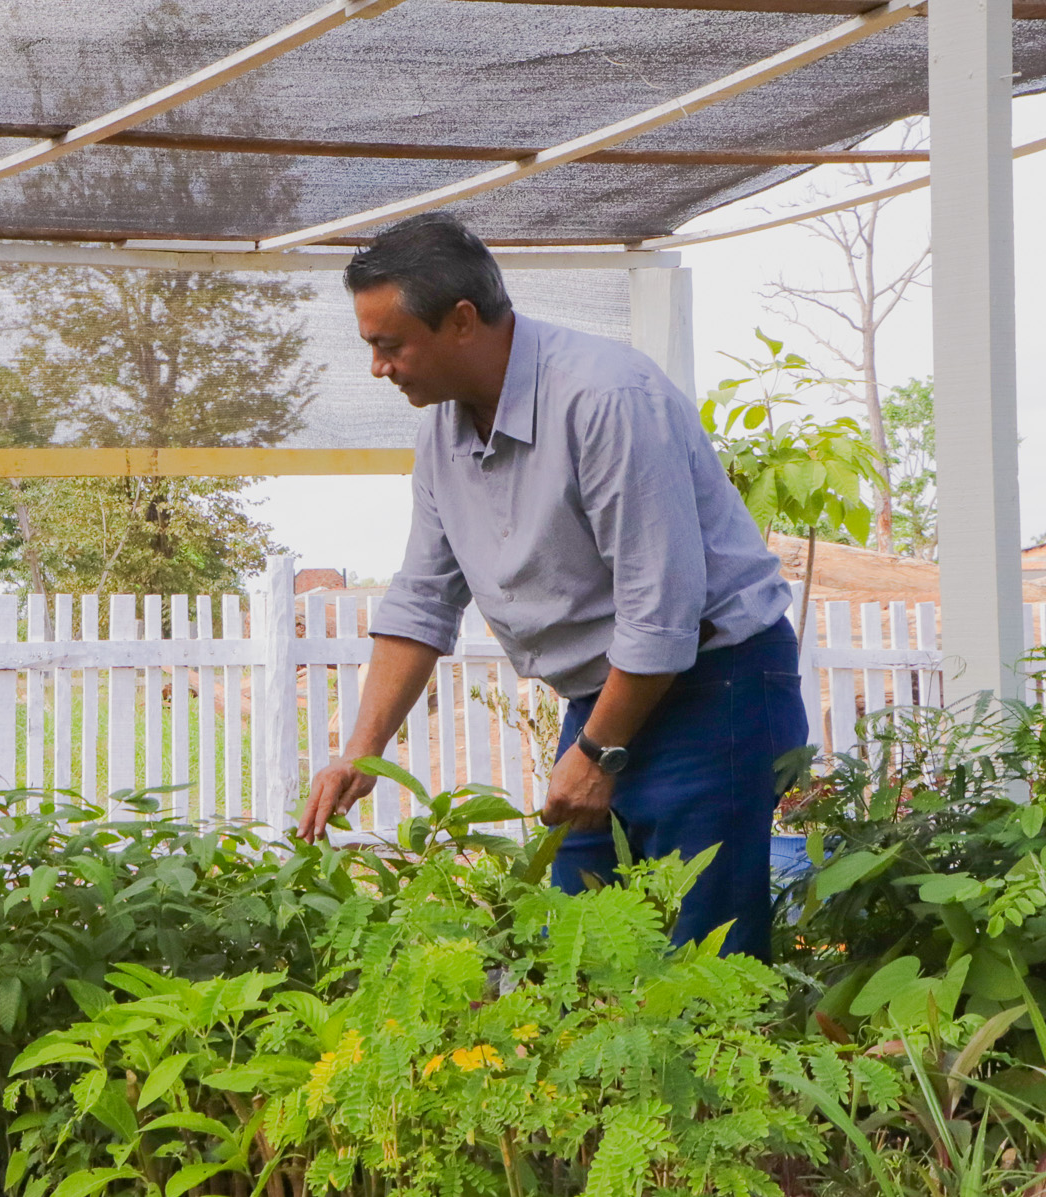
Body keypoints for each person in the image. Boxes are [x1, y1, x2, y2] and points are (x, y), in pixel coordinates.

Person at [294, 212, 803, 961]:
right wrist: (357, 754)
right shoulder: (443, 432)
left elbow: (662, 612)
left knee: (707, 960)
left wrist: (598, 753)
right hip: (609, 696)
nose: (379, 367)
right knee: (574, 949)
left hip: (715, 686)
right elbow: (425, 600)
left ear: (461, 321)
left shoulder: (606, 399)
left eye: (388, 344)